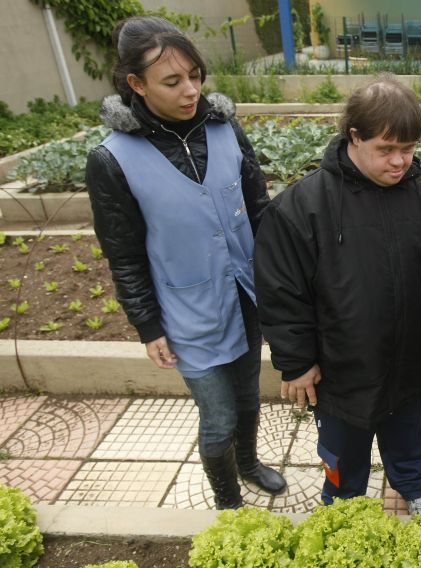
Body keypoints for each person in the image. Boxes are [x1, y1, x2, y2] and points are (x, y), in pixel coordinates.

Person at [85, 16, 286, 510]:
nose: (191, 90)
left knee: (247, 397)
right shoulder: (113, 159)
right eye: (173, 81)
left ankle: (249, 463)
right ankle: (228, 501)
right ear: (136, 84)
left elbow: (259, 210)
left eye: (195, 75)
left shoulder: (224, 127)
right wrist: (147, 325)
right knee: (217, 416)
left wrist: (284, 280)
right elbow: (124, 252)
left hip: (245, 295)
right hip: (186, 310)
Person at [254, 76, 421, 515]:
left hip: (407, 368)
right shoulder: (302, 206)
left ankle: (413, 486)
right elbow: (281, 292)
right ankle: (343, 502)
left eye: (409, 148)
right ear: (355, 137)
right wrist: (297, 362)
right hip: (341, 374)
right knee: (344, 453)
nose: (400, 161)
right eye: (387, 149)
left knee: (409, 441)